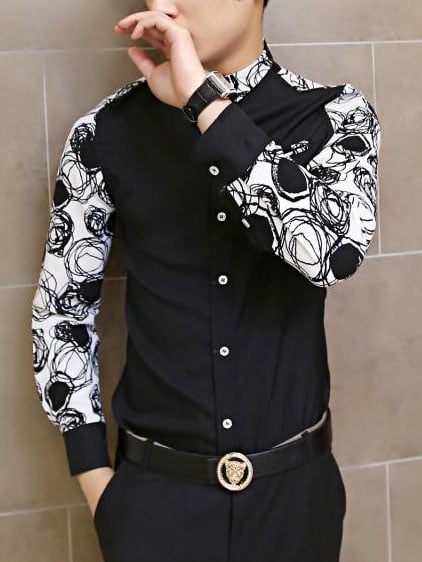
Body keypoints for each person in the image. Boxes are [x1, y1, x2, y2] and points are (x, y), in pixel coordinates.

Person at [31, 0, 381, 561]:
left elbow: (331, 253)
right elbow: (61, 311)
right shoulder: (103, 133)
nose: (165, 5)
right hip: (154, 507)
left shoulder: (336, 115)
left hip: (296, 503)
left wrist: (204, 104)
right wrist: (102, 489)